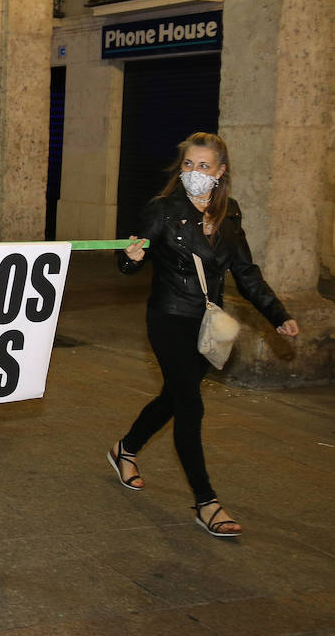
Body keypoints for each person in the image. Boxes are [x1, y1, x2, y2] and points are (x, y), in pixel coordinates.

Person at [113, 132, 298, 538]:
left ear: (221, 172)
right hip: (168, 317)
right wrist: (130, 258)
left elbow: (245, 272)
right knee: (191, 404)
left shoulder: (230, 213)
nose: (195, 174)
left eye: (204, 166)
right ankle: (206, 501)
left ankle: (125, 448)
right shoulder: (161, 210)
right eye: (188, 165)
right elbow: (127, 263)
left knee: (174, 398)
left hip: (206, 324)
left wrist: (276, 313)